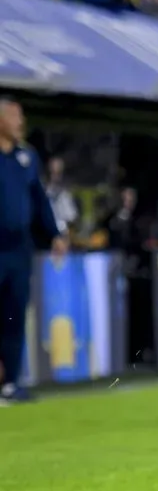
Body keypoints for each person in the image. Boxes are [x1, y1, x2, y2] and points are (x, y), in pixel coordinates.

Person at [0, 97, 66, 404]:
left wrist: (55, 233)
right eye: (15, 117)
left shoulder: (27, 157)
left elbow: (39, 199)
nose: (21, 123)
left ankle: (10, 383)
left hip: (19, 250)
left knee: (14, 317)